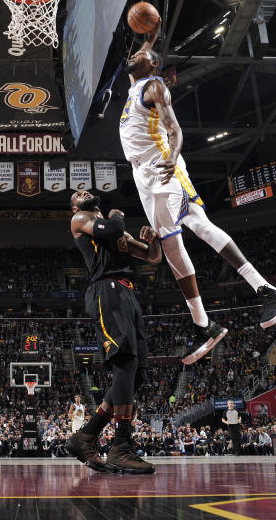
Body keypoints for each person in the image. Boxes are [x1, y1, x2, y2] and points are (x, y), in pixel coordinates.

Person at [121, 25, 276, 364]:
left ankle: (265, 289)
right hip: (141, 173)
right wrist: (151, 34)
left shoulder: (154, 85)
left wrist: (171, 156)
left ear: (152, 65)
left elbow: (174, 129)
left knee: (196, 226)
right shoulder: (135, 84)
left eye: (142, 54)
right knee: (173, 244)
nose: (134, 54)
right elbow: (140, 53)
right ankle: (206, 325)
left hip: (161, 163)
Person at [66, 190, 162, 474]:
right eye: (77, 194)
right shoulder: (82, 220)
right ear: (74, 208)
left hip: (128, 292)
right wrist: (117, 214)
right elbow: (115, 227)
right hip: (104, 289)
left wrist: (153, 241)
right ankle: (121, 445)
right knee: (124, 361)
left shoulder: (114, 229)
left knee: (138, 373)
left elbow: (152, 257)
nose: (83, 191)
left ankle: (86, 436)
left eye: (86, 189)